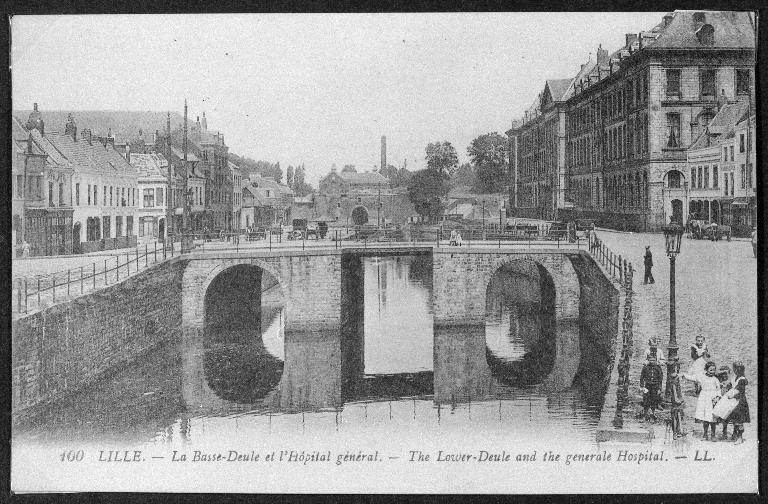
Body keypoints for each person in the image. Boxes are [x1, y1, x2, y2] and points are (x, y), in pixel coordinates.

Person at [682, 361, 722, 441]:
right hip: (704, 398)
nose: (712, 372)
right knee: (705, 417)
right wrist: (684, 375)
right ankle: (705, 434)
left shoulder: (715, 379)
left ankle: (713, 435)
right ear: (706, 370)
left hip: (712, 399)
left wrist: (718, 397)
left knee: (712, 418)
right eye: (710, 370)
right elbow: (693, 378)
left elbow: (718, 389)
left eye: (714, 370)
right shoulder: (702, 377)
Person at [729, 361, 750, 444]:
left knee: (739, 420)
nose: (737, 370)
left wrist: (732, 396)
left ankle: (740, 437)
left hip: (740, 401)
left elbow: (740, 391)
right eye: (736, 368)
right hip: (734, 401)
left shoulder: (742, 380)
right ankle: (735, 434)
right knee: (735, 419)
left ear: (742, 370)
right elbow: (731, 386)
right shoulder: (734, 378)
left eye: (740, 369)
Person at [665, 359, 686, 439]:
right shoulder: (673, 378)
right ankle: (676, 432)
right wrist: (677, 398)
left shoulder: (676, 377)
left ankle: (678, 430)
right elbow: (673, 388)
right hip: (675, 399)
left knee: (679, 414)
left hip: (678, 397)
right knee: (675, 415)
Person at [639, 354, 664, 422]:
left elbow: (660, 379)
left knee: (653, 401)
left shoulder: (658, 368)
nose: (652, 361)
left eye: (653, 360)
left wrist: (659, 388)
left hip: (655, 386)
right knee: (646, 400)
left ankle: (652, 415)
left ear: (656, 360)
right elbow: (642, 377)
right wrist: (642, 386)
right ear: (648, 360)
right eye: (650, 360)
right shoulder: (645, 368)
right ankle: (645, 415)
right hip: (647, 386)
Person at [716, 366, 732, 439]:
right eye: (723, 374)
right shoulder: (718, 382)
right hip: (720, 402)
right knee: (722, 418)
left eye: (726, 374)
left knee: (727, 418)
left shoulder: (730, 383)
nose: (724, 375)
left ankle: (725, 432)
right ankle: (724, 432)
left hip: (728, 402)